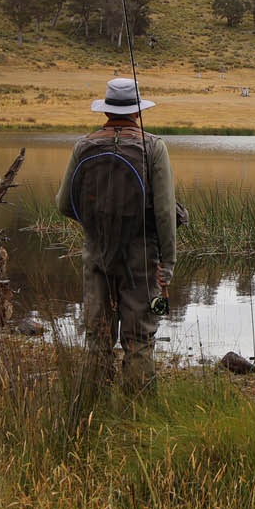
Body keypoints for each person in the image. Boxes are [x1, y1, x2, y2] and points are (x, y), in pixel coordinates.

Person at [56, 77, 177, 396]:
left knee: (97, 337)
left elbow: (63, 204)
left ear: (107, 110)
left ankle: (91, 407)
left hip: (96, 256)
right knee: (139, 338)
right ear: (137, 112)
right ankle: (137, 413)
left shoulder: (84, 145)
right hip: (142, 259)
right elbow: (165, 213)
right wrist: (168, 262)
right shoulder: (154, 147)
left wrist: (96, 227)